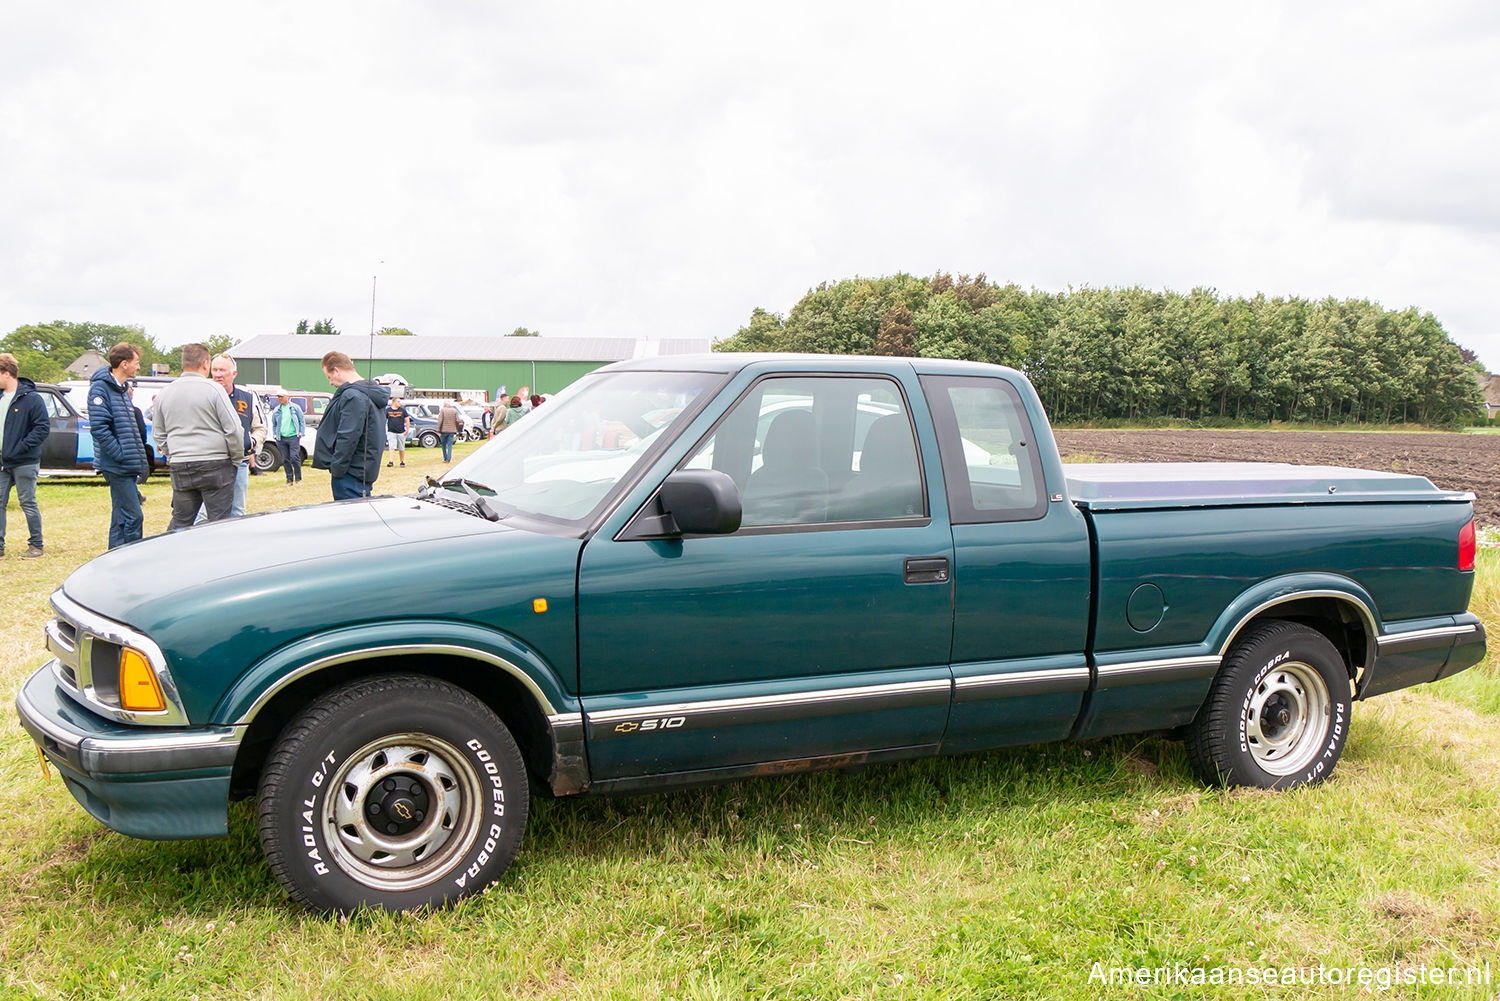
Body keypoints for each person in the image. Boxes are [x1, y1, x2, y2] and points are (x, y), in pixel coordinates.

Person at [152, 343, 244, 530]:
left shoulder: (165, 393)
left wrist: (173, 454)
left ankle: (172, 554)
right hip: (215, 462)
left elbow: (159, 433)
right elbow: (234, 429)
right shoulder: (214, 390)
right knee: (218, 523)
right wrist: (235, 458)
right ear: (205, 364)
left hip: (181, 463)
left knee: (181, 520)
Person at [88, 343, 151, 548]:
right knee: (134, 516)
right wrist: (120, 454)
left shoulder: (121, 389)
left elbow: (129, 429)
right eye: (136, 363)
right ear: (124, 364)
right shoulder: (100, 389)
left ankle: (113, 557)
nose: (138, 367)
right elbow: (99, 428)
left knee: (120, 517)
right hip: (117, 465)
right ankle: (131, 558)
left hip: (126, 463)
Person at [313, 351, 389, 500]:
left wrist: (337, 469)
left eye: (329, 377)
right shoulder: (369, 393)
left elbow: (348, 436)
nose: (330, 382)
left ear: (336, 370)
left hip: (351, 474)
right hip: (363, 470)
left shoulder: (353, 396)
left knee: (352, 519)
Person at [0, 352, 49, 559]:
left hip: (24, 461)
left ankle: (36, 545)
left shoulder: (32, 399)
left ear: (6, 373)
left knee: (27, 502)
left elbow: (42, 428)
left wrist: (21, 447)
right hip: (2, 461)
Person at [207, 353, 266, 518]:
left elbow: (260, 427)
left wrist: (250, 442)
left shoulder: (247, 397)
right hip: (211, 462)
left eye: (223, 370)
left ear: (234, 374)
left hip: (239, 463)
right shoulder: (204, 396)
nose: (218, 374)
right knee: (204, 513)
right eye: (215, 370)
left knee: (237, 511)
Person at [270, 390, 305, 484]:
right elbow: (274, 424)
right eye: (278, 397)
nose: (279, 399)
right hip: (281, 437)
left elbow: (302, 420)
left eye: (281, 396)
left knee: (294, 457)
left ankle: (298, 479)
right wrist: (275, 434)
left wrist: (301, 432)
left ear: (287, 397)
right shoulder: (277, 410)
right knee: (285, 459)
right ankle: (289, 479)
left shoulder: (295, 407)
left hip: (293, 436)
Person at [385, 397, 410, 467]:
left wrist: (407, 430)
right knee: (392, 447)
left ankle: (402, 461)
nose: (399, 403)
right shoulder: (388, 410)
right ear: (394, 402)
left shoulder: (403, 410)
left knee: (401, 448)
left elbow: (407, 420)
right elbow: (384, 420)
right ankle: (391, 461)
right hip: (391, 432)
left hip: (401, 432)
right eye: (398, 401)